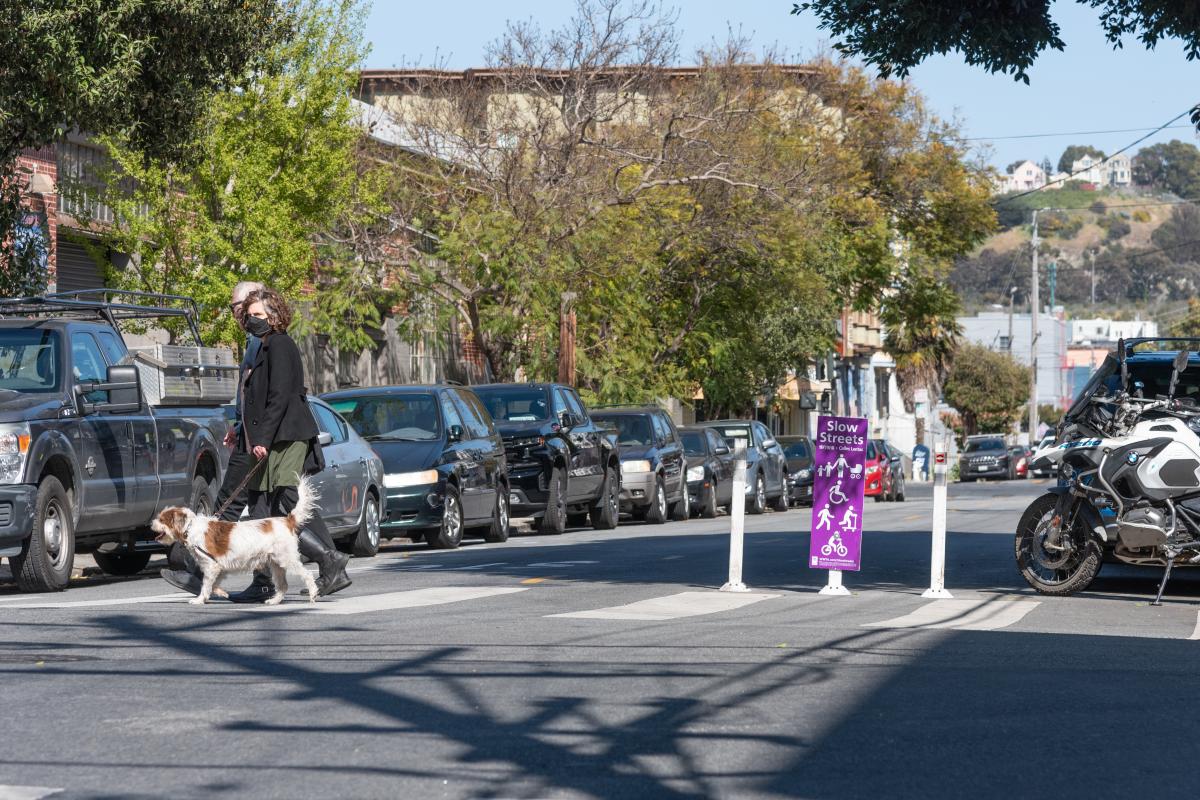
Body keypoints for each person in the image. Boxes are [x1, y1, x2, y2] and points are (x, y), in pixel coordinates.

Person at [233, 287, 351, 601]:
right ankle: (264, 582)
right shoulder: (262, 347)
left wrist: (262, 439)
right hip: (267, 438)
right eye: (249, 315)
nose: (251, 320)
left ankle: (330, 561)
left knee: (284, 507)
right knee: (260, 509)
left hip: (286, 437)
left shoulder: (280, 344)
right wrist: (239, 429)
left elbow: (280, 397)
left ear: (274, 316)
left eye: (258, 315)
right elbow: (255, 399)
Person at [160, 280, 264, 595]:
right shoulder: (253, 340)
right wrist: (238, 424)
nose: (234, 313)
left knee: (227, 506)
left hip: (256, 438)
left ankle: (201, 574)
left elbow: (258, 391)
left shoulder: (261, 340)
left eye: (236, 307)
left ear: (249, 305)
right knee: (262, 505)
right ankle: (326, 561)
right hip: (250, 432)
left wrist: (249, 430)